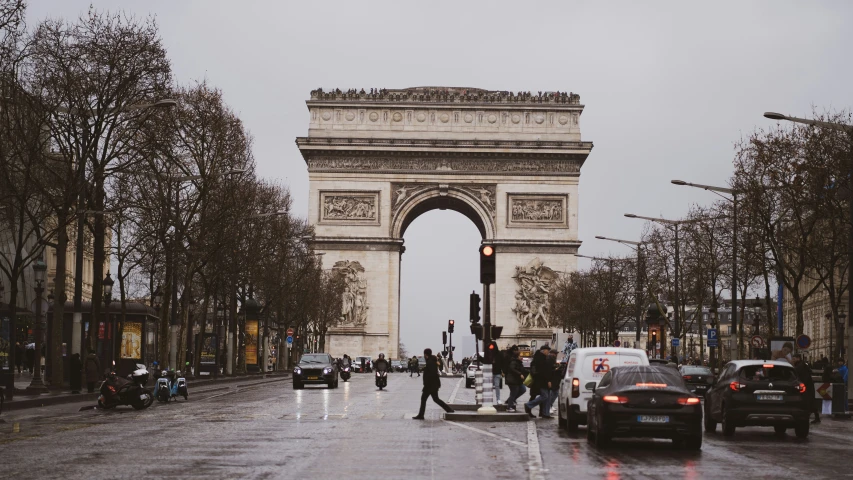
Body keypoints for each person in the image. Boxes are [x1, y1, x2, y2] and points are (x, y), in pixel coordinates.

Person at [413, 348, 454, 419]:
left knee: (424, 399)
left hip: (430, 385)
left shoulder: (430, 362)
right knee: (436, 399)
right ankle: (449, 409)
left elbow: (432, 373)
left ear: (426, 354)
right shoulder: (432, 360)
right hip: (433, 385)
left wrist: (427, 384)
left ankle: (421, 415)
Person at [524, 345, 552, 418]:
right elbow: (543, 372)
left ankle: (544, 413)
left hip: (540, 381)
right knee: (544, 396)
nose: (548, 352)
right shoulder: (540, 359)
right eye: (547, 350)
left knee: (545, 397)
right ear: (543, 350)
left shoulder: (542, 358)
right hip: (540, 381)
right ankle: (529, 406)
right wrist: (547, 380)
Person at [792, 354, 819, 424]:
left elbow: (796, 374)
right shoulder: (802, 364)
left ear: (798, 358)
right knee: (811, 402)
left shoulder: (800, 366)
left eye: (794, 358)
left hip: (806, 386)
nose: (793, 360)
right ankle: (816, 417)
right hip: (808, 385)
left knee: (809, 402)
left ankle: (811, 417)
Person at [505, 346, 527, 412]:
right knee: (513, 393)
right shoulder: (513, 362)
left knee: (523, 389)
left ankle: (510, 401)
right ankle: (509, 407)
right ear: (517, 356)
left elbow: (523, 370)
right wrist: (520, 374)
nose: (522, 357)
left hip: (517, 381)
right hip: (512, 380)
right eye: (520, 356)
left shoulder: (519, 362)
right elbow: (512, 369)